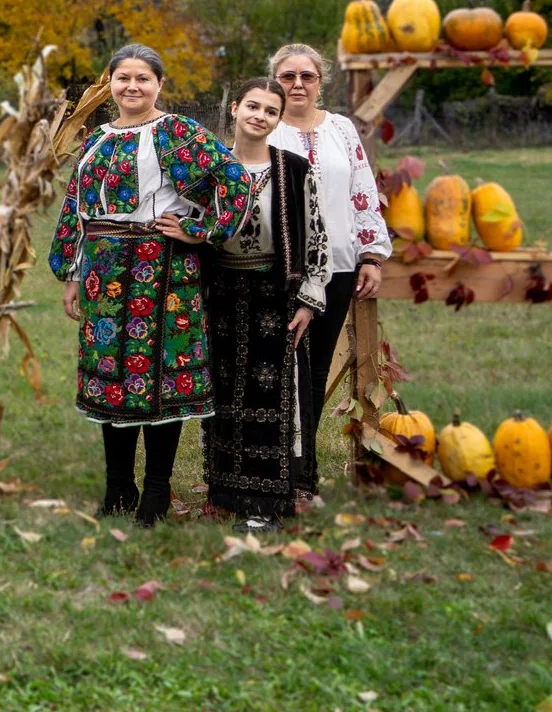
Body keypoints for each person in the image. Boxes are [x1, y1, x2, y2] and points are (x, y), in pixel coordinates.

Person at [51, 43, 253, 526]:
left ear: (159, 84)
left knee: (162, 377)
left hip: (161, 270)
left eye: (143, 78)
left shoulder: (177, 132)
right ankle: (118, 486)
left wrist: (199, 229)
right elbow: (78, 207)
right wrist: (75, 273)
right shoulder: (96, 139)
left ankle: (157, 491)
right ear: (110, 85)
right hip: (104, 274)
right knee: (111, 382)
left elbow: (235, 181)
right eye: (123, 78)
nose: (133, 87)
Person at [265, 43, 390, 505]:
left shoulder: (340, 129)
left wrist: (371, 255)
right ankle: (268, 475)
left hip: (336, 267)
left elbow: (363, 190)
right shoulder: (264, 126)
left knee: (314, 372)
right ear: (275, 81)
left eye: (307, 76)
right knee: (278, 371)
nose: (297, 84)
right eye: (287, 76)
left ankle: (303, 478)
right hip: (277, 271)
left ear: (321, 81)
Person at [204, 77, 326, 531]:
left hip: (275, 294)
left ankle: (267, 502)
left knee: (270, 395)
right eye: (252, 106)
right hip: (221, 293)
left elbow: (316, 236)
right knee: (222, 393)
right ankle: (225, 491)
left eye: (270, 111)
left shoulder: (294, 169)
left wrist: (308, 301)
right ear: (235, 109)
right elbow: (195, 221)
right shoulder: (212, 168)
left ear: (278, 120)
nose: (259, 115)